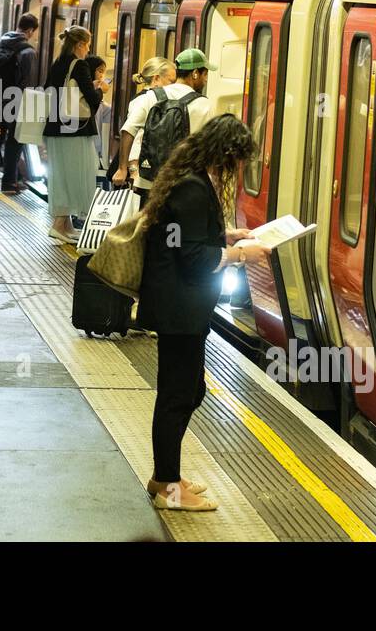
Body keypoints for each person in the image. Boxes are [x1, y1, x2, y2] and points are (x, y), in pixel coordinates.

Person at [140, 114, 269, 511]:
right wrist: (239, 254)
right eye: (239, 159)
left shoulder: (191, 180)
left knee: (188, 391)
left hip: (183, 307)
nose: (241, 167)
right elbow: (194, 258)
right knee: (177, 396)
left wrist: (226, 235)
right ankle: (167, 488)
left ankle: (167, 476)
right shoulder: (193, 188)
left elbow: (189, 237)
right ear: (225, 154)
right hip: (179, 308)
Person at [112, 53, 213, 203]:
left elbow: (128, 130)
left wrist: (122, 168)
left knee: (147, 225)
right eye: (205, 74)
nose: (206, 79)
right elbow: (209, 147)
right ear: (195, 73)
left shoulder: (151, 96)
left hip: (148, 180)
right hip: (184, 184)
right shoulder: (205, 104)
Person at [41, 26, 106, 243]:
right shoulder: (80, 65)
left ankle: (64, 225)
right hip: (74, 130)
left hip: (55, 128)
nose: (88, 50)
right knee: (77, 174)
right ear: (79, 44)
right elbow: (92, 99)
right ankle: (60, 224)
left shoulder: (58, 63)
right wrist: (100, 90)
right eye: (87, 45)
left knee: (61, 175)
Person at [0, 12, 38, 193]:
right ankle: (10, 182)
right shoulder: (27, 51)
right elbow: (27, 81)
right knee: (16, 139)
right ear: (31, 30)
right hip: (16, 100)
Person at [86, 55, 114, 188]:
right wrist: (100, 91)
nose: (102, 76)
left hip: (93, 152)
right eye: (100, 71)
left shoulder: (104, 105)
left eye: (104, 72)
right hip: (88, 150)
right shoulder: (89, 97)